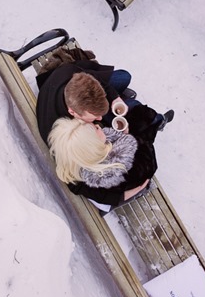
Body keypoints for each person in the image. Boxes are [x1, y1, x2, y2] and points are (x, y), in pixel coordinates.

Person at [36, 55, 174, 205]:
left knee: (124, 77)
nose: (99, 120)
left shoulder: (71, 75)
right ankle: (157, 121)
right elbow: (76, 184)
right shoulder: (68, 138)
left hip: (55, 89)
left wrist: (115, 98)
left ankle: (123, 100)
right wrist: (121, 197)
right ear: (73, 113)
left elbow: (93, 79)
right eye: (94, 117)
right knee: (135, 106)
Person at [47, 103, 173, 209]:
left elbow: (75, 186)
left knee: (139, 113)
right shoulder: (122, 171)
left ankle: (157, 121)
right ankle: (159, 122)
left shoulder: (73, 158)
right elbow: (150, 165)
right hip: (135, 175)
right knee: (145, 119)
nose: (98, 124)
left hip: (118, 170)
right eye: (96, 129)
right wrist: (129, 138)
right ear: (93, 146)